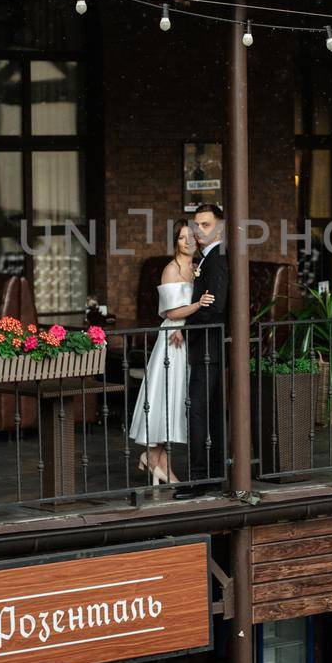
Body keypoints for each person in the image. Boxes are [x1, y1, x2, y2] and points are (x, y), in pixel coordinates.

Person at [128, 223, 214, 485]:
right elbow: (171, 313)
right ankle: (154, 458)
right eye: (181, 238)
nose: (187, 241)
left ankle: (155, 458)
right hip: (173, 340)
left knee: (179, 400)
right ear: (175, 242)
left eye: (191, 237)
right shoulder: (170, 270)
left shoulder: (198, 267)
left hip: (189, 337)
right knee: (168, 397)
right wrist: (197, 304)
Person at [181, 204, 228, 492]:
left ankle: (200, 478)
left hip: (209, 344)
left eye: (206, 225)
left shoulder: (218, 258)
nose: (199, 231)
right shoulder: (206, 258)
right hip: (205, 344)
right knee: (205, 411)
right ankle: (209, 473)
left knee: (199, 410)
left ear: (220, 227)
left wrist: (185, 325)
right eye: (196, 225)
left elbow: (217, 305)